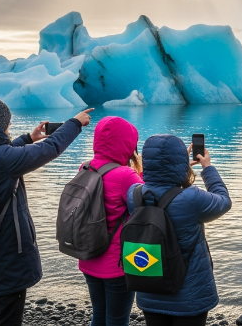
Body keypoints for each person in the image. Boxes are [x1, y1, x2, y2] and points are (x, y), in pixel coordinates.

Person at [0, 95, 93, 326]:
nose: (9, 127)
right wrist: (74, 123)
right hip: (6, 262)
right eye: (8, 122)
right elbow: (51, 148)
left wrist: (28, 138)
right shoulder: (4, 160)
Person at [126, 135, 231, 326]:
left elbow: (151, 185)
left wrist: (180, 168)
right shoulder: (192, 198)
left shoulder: (134, 194)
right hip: (189, 298)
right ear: (180, 162)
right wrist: (207, 168)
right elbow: (223, 201)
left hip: (149, 290)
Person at [79, 116, 144, 326]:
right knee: (117, 320)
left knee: (98, 315)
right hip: (116, 265)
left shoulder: (85, 167)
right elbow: (146, 204)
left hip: (88, 257)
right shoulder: (125, 174)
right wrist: (140, 170)